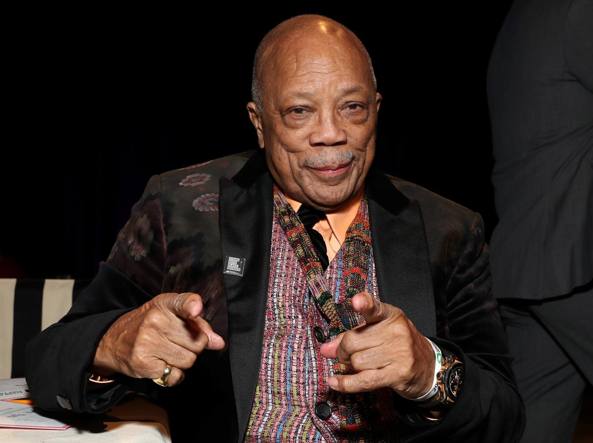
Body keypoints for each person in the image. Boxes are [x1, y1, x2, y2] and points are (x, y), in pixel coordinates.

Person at [27, 15, 524, 442]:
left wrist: (429, 371)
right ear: (260, 123)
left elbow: (505, 416)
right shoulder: (182, 207)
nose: (331, 133)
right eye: (299, 111)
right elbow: (50, 358)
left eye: (352, 107)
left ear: (376, 109)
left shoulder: (447, 229)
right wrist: (113, 345)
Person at [488, 0, 593, 441]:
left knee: (533, 427)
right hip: (575, 264)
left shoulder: (524, 14)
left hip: (528, 268)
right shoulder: (579, 11)